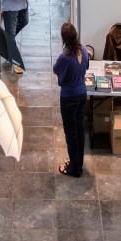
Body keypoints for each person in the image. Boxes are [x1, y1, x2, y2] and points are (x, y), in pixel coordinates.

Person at [53, 23, 89, 178]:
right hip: (82, 94)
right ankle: (78, 161)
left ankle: (74, 168)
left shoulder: (65, 57)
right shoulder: (85, 51)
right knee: (80, 130)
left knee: (71, 133)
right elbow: (85, 67)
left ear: (64, 39)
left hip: (69, 97)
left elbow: (56, 69)